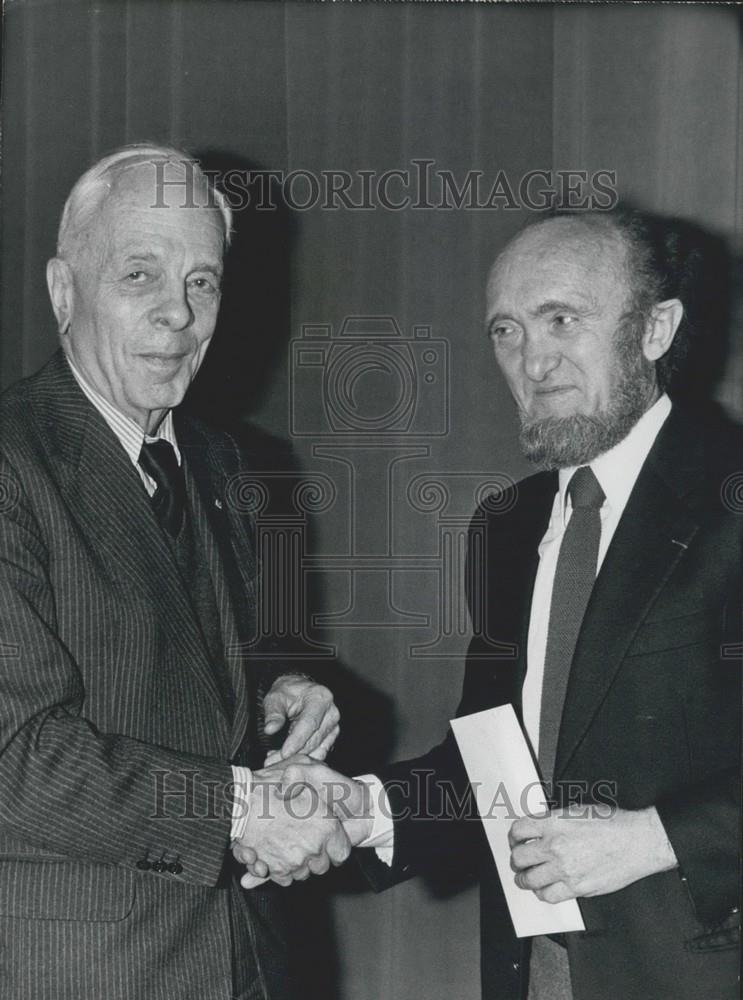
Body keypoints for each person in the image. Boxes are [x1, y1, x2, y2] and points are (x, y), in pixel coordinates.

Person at [238, 211, 742, 999]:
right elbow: (495, 767)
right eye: (505, 331)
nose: (532, 360)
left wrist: (652, 839)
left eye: (561, 320)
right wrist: (357, 806)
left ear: (655, 329)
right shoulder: (506, 529)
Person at [0, 144, 347, 1000]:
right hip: (80, 973)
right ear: (62, 291)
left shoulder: (223, 464)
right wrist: (241, 807)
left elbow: (177, 677)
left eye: (203, 281)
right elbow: (17, 755)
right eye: (139, 275)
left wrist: (275, 696)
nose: (178, 316)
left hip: (246, 961)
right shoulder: (11, 461)